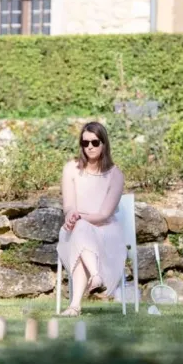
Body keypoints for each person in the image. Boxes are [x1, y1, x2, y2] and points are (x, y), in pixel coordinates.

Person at [56, 122, 127, 316]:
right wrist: (71, 216)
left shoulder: (115, 175)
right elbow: (69, 205)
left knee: (81, 229)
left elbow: (104, 214)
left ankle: (75, 306)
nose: (90, 147)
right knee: (79, 230)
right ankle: (95, 277)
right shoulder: (71, 169)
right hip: (76, 229)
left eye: (95, 142)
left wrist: (79, 217)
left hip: (106, 230)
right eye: (85, 142)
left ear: (104, 144)